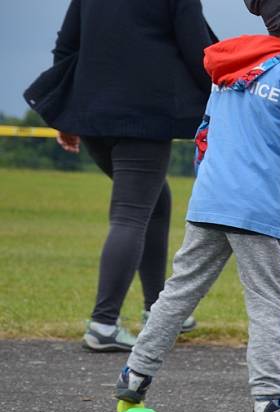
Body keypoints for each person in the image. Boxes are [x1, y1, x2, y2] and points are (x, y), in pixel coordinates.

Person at [111, 0, 280, 412]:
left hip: (210, 201)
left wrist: (214, 184)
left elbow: (204, 135)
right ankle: (269, 401)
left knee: (177, 294)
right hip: (260, 210)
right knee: (265, 305)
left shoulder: (228, 71)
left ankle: (134, 376)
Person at [25, 0, 218, 352]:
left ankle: (158, 310)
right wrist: (224, 103)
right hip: (144, 118)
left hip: (94, 117)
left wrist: (65, 114)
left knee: (156, 202)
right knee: (130, 215)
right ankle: (103, 323)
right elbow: (198, 51)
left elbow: (66, 46)